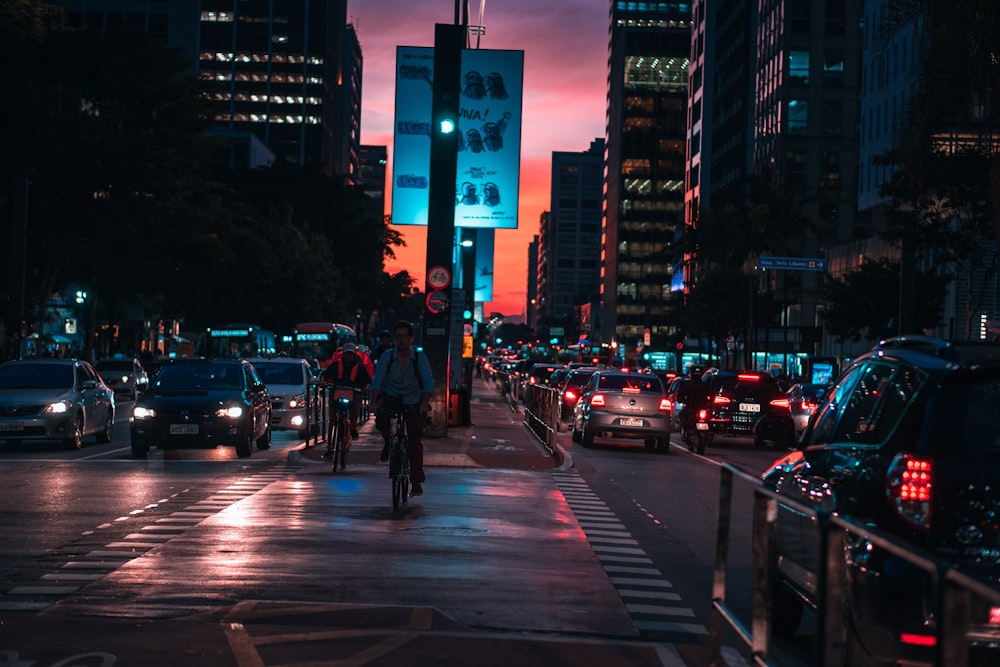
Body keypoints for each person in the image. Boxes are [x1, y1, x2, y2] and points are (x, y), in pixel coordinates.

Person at [370, 320, 434, 496]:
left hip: (413, 401)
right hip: (391, 398)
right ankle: (388, 442)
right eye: (398, 336)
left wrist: (423, 403)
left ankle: (416, 481)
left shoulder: (419, 358)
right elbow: (378, 380)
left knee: (414, 441)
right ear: (394, 339)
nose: (401, 340)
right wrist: (374, 401)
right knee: (382, 421)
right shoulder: (387, 357)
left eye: (405, 336)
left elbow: (428, 382)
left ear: (411, 338)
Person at [320, 343, 372, 440]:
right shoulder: (336, 364)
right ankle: (330, 445)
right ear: (343, 354)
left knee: (356, 407)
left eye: (351, 354)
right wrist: (322, 381)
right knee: (332, 418)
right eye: (347, 354)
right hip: (337, 392)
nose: (348, 356)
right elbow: (325, 374)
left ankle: (353, 427)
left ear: (354, 355)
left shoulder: (360, 367)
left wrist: (366, 388)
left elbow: (367, 381)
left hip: (354, 393)